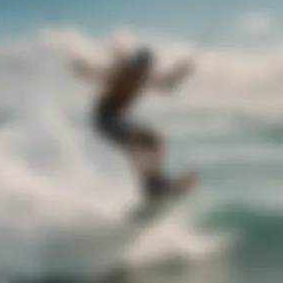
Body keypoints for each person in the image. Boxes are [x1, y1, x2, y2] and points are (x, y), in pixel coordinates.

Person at [70, 43, 196, 203]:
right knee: (135, 142)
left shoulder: (145, 76)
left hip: (118, 119)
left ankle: (156, 182)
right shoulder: (120, 72)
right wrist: (80, 67)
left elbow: (167, 86)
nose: (138, 72)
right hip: (103, 119)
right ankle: (152, 186)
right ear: (132, 63)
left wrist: (182, 71)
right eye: (136, 67)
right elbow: (95, 73)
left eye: (142, 69)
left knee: (155, 140)